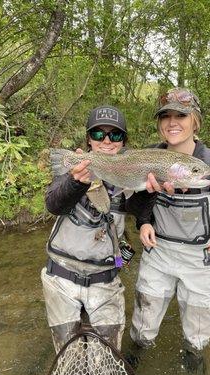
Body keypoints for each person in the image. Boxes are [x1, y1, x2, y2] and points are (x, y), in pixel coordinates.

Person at [126, 88, 210, 372]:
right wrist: (143, 223)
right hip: (159, 253)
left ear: (196, 121)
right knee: (145, 315)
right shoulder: (149, 157)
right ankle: (136, 353)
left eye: (181, 114)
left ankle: (193, 358)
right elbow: (136, 203)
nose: (172, 122)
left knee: (198, 321)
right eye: (165, 116)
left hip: (200, 259)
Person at [41, 105, 131, 353]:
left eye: (114, 135)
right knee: (69, 357)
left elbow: (144, 214)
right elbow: (53, 204)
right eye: (98, 134)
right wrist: (75, 182)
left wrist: (154, 191)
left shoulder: (131, 170)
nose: (106, 141)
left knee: (106, 359)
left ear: (123, 141)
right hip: (61, 277)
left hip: (105, 279)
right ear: (89, 140)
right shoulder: (74, 167)